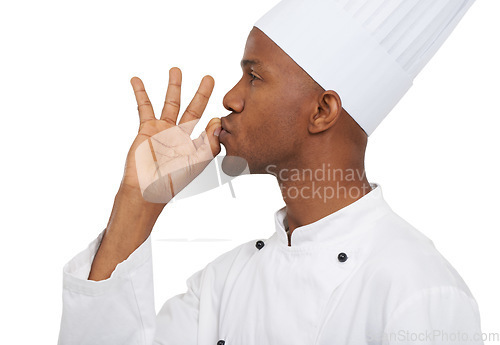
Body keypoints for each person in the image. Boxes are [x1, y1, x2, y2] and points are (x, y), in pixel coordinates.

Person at [57, 0, 484, 344]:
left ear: (322, 111)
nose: (229, 97)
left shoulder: (419, 290)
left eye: (254, 77)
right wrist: (138, 198)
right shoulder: (225, 284)